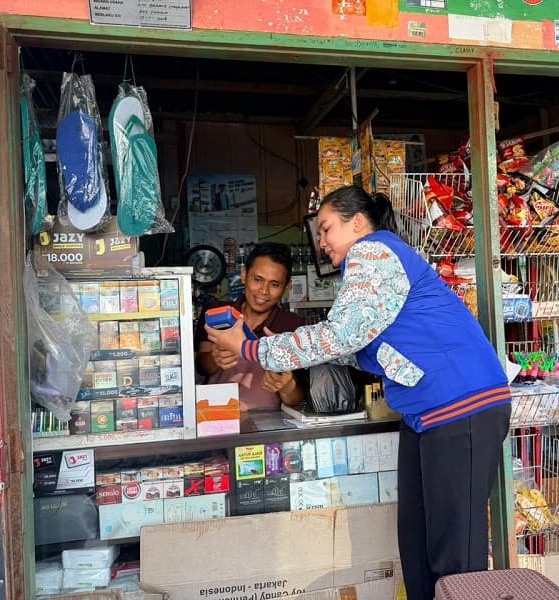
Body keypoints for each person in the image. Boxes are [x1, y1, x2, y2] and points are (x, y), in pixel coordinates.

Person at [205, 185, 511, 599]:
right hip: (424, 415)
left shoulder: (374, 251)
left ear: (358, 222)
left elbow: (341, 335)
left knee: (456, 555)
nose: (321, 241)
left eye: (326, 228)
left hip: (462, 406)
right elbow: (355, 346)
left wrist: (251, 350)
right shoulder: (366, 267)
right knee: (417, 545)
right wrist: (268, 346)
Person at [194, 241, 307, 411]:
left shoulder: (294, 326)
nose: (264, 291)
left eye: (274, 284)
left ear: (287, 287)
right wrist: (215, 358)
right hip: (215, 415)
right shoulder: (216, 312)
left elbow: (298, 398)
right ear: (244, 275)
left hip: (267, 420)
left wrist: (287, 388)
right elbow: (202, 366)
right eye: (258, 280)